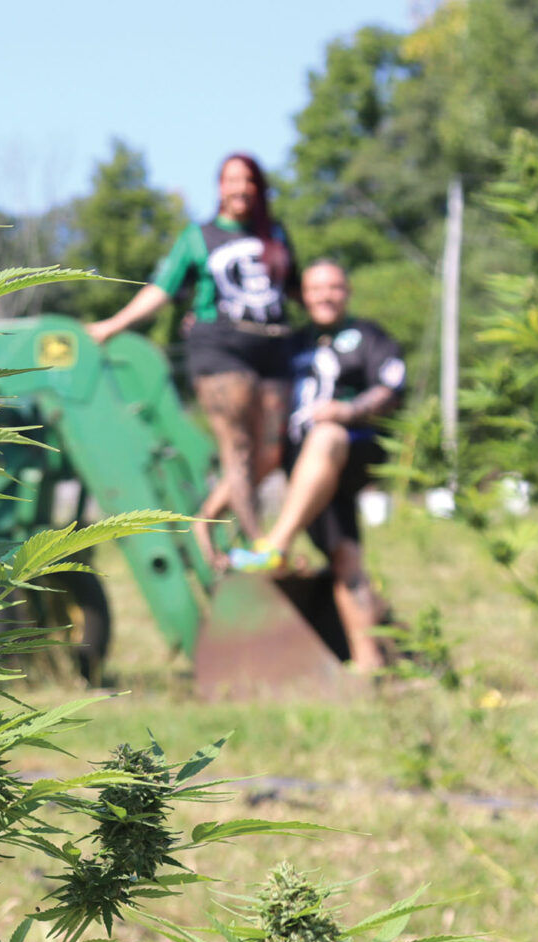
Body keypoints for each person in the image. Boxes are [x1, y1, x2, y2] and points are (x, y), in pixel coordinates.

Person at [86, 153, 298, 546]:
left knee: (269, 453)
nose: (241, 188)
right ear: (220, 187)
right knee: (238, 452)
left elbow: (298, 289)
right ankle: (257, 544)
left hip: (274, 349)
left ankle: (206, 522)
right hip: (220, 350)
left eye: (249, 180)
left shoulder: (276, 235)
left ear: (260, 187)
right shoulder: (199, 236)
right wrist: (111, 327)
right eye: (232, 180)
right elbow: (163, 290)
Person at [228, 259, 405, 672]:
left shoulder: (369, 335)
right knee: (346, 559)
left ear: (348, 291)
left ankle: (277, 543)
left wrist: (346, 410)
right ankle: (370, 664)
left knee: (326, 434)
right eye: (316, 288)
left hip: (354, 449)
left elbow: (391, 390)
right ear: (302, 296)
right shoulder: (292, 343)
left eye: (334, 287)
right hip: (304, 470)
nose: (325, 295)